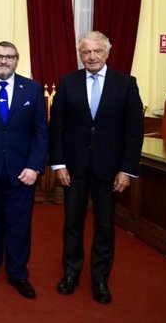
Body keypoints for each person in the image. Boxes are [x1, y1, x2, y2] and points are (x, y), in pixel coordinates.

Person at [49, 30, 143, 304]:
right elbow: (57, 127)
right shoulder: (68, 82)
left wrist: (127, 169)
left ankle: (100, 279)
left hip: (110, 170)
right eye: (86, 52)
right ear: (80, 55)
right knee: (72, 224)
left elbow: (133, 131)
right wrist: (58, 163)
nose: (91, 56)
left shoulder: (126, 84)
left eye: (96, 51)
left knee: (104, 225)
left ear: (107, 52)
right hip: (74, 169)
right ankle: (71, 273)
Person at [0, 41, 48, 299]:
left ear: (17, 60)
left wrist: (35, 166)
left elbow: (40, 133)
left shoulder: (33, 89)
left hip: (22, 172)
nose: (4, 61)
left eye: (9, 57)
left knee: (19, 224)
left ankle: (17, 273)